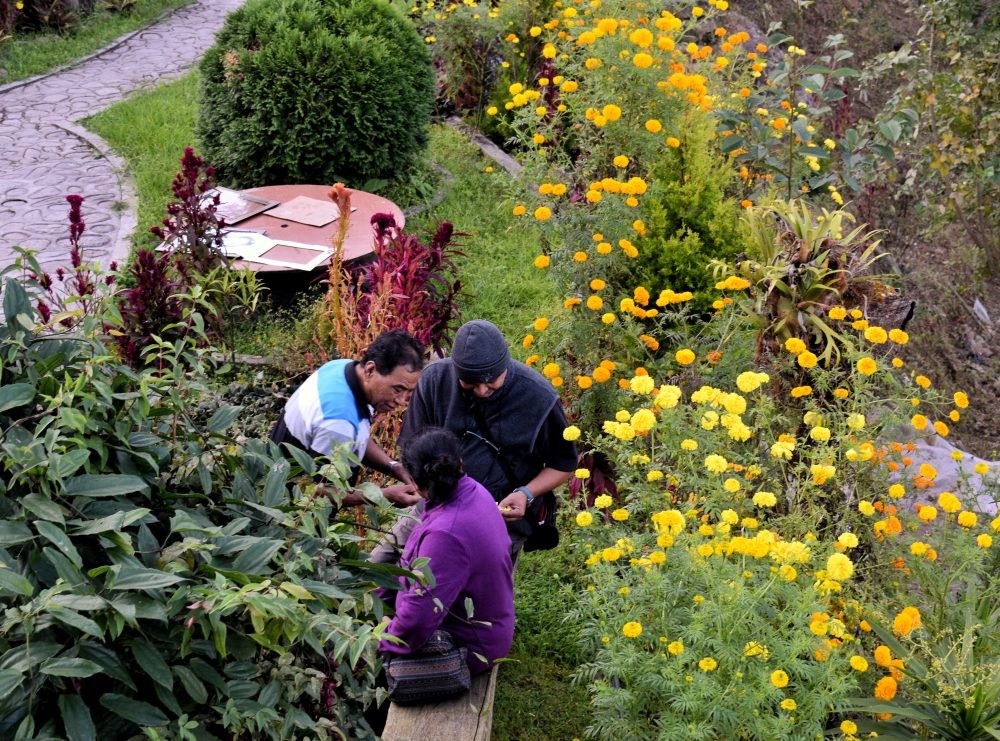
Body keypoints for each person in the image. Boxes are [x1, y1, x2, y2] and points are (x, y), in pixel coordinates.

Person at [397, 319, 578, 554]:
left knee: (478, 586)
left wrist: (526, 493)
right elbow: (411, 449)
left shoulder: (539, 398)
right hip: (434, 506)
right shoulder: (434, 380)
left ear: (505, 365)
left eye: (491, 381)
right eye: (470, 384)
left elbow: (564, 464)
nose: (482, 391)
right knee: (382, 566)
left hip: (499, 519)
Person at [379, 428, 514, 675]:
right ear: (460, 463)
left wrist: (383, 637)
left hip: (470, 647)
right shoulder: (472, 489)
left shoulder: (446, 534)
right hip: (491, 623)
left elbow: (419, 618)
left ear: (415, 484)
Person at [270, 329, 424, 507]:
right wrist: (383, 495)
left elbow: (354, 439)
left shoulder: (343, 368)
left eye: (409, 392)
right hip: (287, 513)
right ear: (370, 370)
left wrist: (394, 467)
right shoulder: (338, 420)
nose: (401, 401)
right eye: (397, 389)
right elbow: (315, 492)